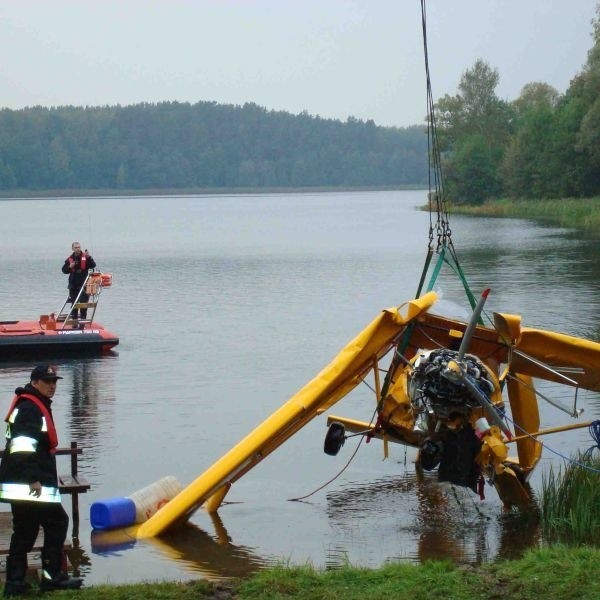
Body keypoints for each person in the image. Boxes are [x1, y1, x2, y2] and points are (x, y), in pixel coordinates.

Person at [0, 366, 82, 595]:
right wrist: (33, 479)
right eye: (47, 381)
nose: (52, 385)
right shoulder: (30, 409)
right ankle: (51, 577)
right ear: (35, 383)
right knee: (56, 523)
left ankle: (15, 584)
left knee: (25, 532)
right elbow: (22, 446)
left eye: (54, 381)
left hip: (23, 483)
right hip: (30, 484)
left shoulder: (33, 404)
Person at [61, 242, 96, 321]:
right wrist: (69, 267)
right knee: (74, 304)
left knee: (84, 304)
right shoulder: (70, 259)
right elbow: (64, 270)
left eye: (79, 247)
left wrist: (89, 257)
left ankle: (83, 321)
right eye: (76, 247)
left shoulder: (86, 257)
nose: (78, 249)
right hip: (73, 285)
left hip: (84, 284)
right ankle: (74, 321)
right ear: (73, 249)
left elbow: (93, 265)